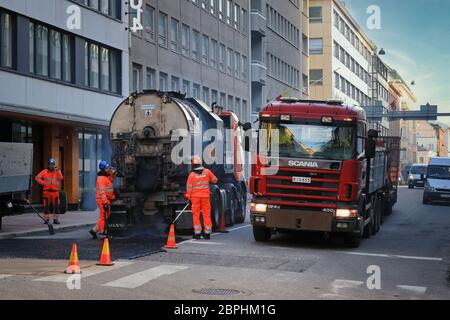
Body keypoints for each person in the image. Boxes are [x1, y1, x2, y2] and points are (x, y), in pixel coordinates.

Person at [184, 156, 218, 240]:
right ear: (200, 163)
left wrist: (188, 196)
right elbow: (215, 180)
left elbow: (189, 188)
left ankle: (197, 233)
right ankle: (207, 233)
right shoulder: (207, 172)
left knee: (196, 215)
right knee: (206, 214)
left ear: (193, 165)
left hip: (195, 198)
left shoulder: (191, 175)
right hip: (205, 197)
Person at [89, 161, 116, 239]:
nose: (108, 169)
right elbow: (102, 191)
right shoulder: (101, 178)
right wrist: (104, 203)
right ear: (103, 169)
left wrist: (113, 173)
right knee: (104, 217)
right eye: (107, 168)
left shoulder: (105, 176)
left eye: (109, 167)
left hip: (106, 199)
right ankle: (102, 231)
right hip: (102, 200)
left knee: (105, 216)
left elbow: (111, 180)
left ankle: (94, 230)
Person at [35, 158, 64, 225]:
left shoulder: (57, 171)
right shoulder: (44, 171)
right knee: (46, 206)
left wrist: (58, 170)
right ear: (48, 165)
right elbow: (37, 178)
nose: (52, 165)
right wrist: (43, 183)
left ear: (54, 165)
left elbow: (61, 178)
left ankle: (55, 219)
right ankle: (46, 219)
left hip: (55, 192)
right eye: (50, 164)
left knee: (56, 206)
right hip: (46, 192)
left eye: (53, 164)